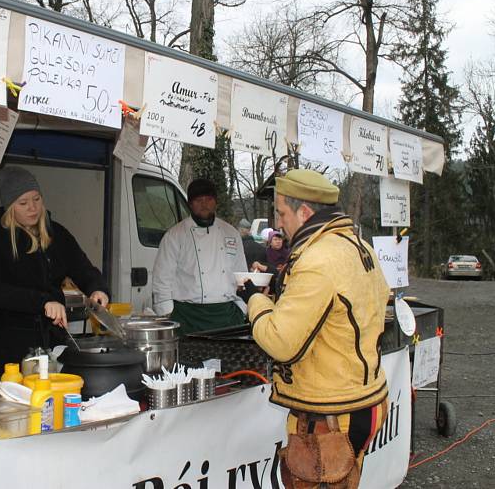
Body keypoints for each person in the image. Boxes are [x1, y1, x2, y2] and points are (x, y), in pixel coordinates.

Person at [239, 169, 389, 489]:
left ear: (304, 212)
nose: (279, 224)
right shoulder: (357, 246)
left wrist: (255, 301)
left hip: (332, 412)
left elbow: (281, 342)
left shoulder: (319, 259)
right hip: (364, 399)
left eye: (281, 213)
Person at [0, 166, 109, 385]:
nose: (33, 208)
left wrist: (97, 288)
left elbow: (82, 267)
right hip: (7, 349)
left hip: (50, 344)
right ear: (9, 206)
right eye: (23, 203)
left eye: (37, 199)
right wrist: (43, 302)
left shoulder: (57, 233)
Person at [152, 178, 248, 336]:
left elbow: (241, 274)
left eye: (208, 199)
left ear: (215, 202)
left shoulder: (230, 233)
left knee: (226, 360)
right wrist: (168, 313)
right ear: (190, 203)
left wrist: (242, 308)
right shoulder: (175, 235)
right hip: (188, 316)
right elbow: (162, 278)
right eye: (198, 200)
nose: (204, 204)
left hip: (227, 315)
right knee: (188, 361)